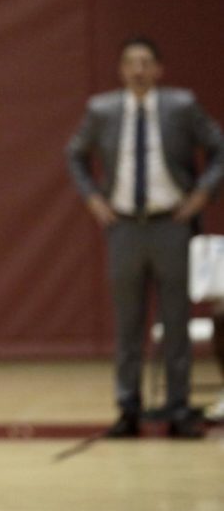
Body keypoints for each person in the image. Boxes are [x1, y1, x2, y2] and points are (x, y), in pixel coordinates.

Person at [66, 36, 224, 439]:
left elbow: (218, 148)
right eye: (131, 62)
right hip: (123, 228)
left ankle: (178, 409)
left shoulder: (181, 106)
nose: (138, 69)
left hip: (172, 225)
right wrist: (94, 201)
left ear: (158, 70)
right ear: (121, 70)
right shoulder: (101, 110)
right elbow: (75, 153)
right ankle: (128, 409)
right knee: (129, 324)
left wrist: (201, 195)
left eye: (146, 62)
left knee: (176, 323)